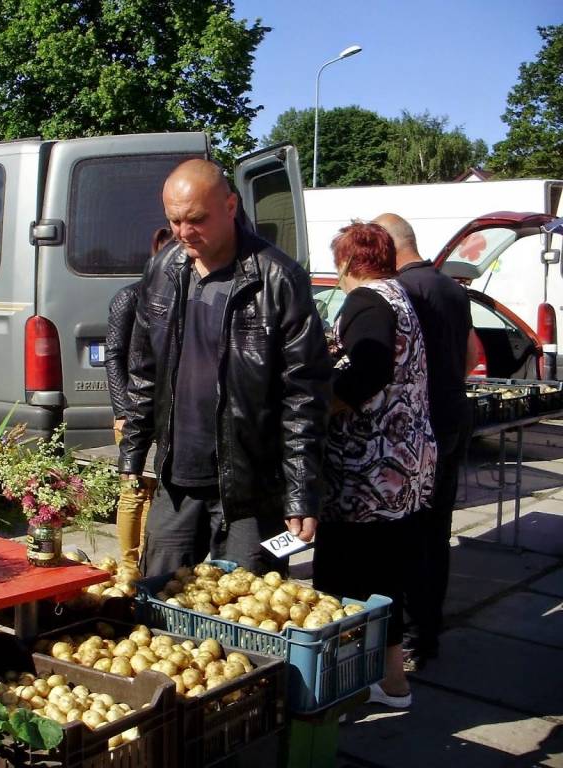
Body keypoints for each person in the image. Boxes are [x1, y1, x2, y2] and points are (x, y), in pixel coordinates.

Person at [118, 159, 332, 578]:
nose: (184, 232)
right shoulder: (162, 270)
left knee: (249, 604)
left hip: (250, 488)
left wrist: (301, 492)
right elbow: (143, 371)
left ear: (230, 206)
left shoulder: (278, 278)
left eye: (196, 219)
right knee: (158, 597)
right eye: (174, 220)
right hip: (177, 481)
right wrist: (133, 455)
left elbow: (304, 396)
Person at [312, 221, 437, 709]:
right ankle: (391, 680)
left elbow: (371, 370)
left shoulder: (366, 301)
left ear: (346, 262)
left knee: (343, 577)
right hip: (401, 465)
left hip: (366, 471)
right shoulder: (400, 296)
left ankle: (339, 683)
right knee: (385, 576)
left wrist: (323, 406)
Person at [374, 213, 479, 671]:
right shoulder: (452, 288)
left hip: (419, 425)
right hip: (454, 414)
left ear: (387, 245)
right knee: (436, 532)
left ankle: (410, 639)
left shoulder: (401, 292)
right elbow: (472, 354)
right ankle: (427, 632)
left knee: (408, 535)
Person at [104, 228, 172, 564]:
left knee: (154, 491)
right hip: (134, 409)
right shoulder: (129, 297)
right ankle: (129, 562)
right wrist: (122, 411)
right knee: (133, 490)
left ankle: (145, 560)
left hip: (164, 411)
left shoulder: (173, 299)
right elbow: (113, 355)